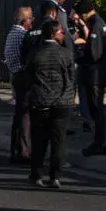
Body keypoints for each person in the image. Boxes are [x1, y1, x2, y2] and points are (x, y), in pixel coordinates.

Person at [26, 20, 74, 188]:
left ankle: (37, 175)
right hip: (62, 102)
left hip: (41, 101)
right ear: (53, 34)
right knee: (58, 141)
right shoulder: (66, 54)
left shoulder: (35, 54)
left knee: (39, 141)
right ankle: (55, 176)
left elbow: (29, 77)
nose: (63, 34)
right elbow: (71, 77)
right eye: (61, 32)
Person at [75, 0, 106, 157]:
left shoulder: (96, 24)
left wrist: (81, 52)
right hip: (98, 73)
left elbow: (95, 53)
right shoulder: (99, 22)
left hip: (95, 74)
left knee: (96, 110)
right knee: (96, 110)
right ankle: (98, 142)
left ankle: (99, 142)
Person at [4, 7, 34, 164]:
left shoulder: (12, 33)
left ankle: (17, 150)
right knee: (25, 116)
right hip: (23, 76)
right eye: (31, 19)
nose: (32, 21)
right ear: (25, 21)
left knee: (19, 116)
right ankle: (24, 151)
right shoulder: (22, 35)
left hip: (16, 76)